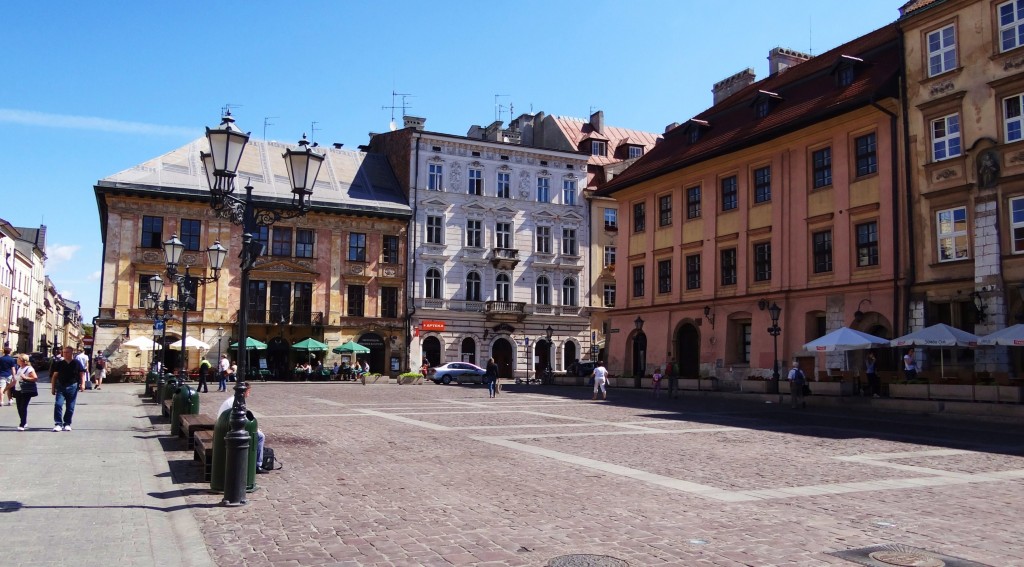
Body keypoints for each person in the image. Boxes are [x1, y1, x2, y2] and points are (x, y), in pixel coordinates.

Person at [218, 382, 266, 472]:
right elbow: (241, 420)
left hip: (223, 426)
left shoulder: (232, 399)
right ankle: (257, 465)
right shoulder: (237, 402)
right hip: (229, 428)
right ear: (245, 391)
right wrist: (255, 429)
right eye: (249, 391)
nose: (249, 394)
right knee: (260, 436)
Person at [51, 346, 87, 431]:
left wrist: (83, 384)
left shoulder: (77, 363)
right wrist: (53, 388)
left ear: (71, 353)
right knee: (58, 404)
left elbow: (82, 374)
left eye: (67, 352)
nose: (65, 354)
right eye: (64, 352)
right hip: (61, 386)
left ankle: (67, 423)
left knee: (70, 406)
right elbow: (54, 376)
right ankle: (58, 424)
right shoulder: (59, 363)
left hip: (73, 386)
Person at [12, 353, 39, 430]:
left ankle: (22, 424)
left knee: (23, 407)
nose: (17, 360)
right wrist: (6, 389)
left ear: (23, 361)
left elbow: (35, 378)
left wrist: (25, 377)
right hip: (18, 390)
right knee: (19, 408)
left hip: (25, 391)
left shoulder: (29, 369)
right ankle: (24, 421)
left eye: (19, 359)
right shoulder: (19, 368)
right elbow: (15, 380)